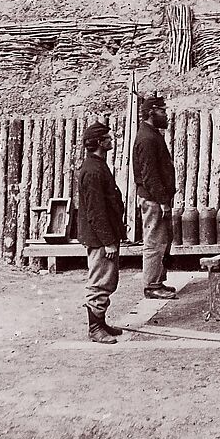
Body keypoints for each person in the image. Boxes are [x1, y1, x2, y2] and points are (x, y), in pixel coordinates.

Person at [76, 121, 127, 344]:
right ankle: (95, 328)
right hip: (99, 238)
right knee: (99, 281)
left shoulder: (97, 165)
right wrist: (108, 242)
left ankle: (101, 322)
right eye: (107, 138)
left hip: (104, 235)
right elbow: (96, 212)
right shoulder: (92, 171)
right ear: (98, 142)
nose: (111, 141)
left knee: (108, 279)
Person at [133, 94, 178, 300]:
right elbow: (150, 176)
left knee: (162, 240)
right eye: (162, 111)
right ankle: (151, 286)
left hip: (157, 198)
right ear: (152, 113)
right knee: (154, 242)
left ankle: (158, 281)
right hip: (153, 200)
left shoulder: (152, 134)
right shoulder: (147, 138)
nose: (166, 115)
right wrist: (162, 201)